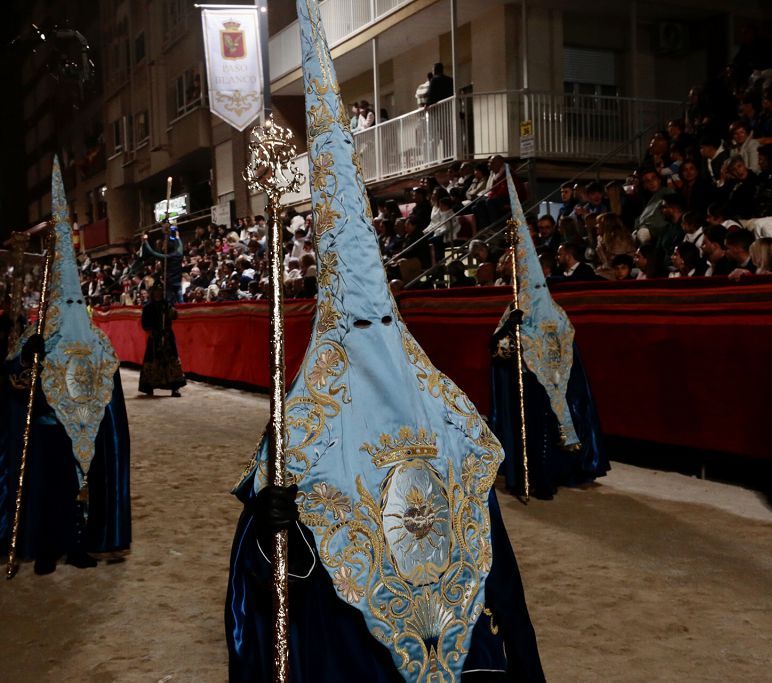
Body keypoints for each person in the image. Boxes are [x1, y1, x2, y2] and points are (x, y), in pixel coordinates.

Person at [227, 3, 544, 679]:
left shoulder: (448, 411)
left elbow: (494, 558)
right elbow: (260, 581)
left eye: (381, 323)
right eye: (357, 327)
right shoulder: (301, 426)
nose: (373, 343)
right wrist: (270, 528)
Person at [0, 159, 131, 575]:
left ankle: (77, 546)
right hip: (44, 428)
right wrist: (28, 358)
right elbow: (13, 380)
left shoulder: (96, 341)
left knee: (79, 490)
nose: (73, 309)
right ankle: (44, 548)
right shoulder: (36, 335)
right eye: (67, 304)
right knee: (43, 491)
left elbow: (110, 391)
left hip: (85, 429)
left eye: (79, 303)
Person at [491, 166, 608, 500]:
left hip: (549, 382)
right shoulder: (513, 307)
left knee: (548, 428)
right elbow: (498, 346)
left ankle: (548, 475)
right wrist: (508, 342)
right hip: (526, 381)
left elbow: (561, 342)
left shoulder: (551, 308)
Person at [138, 283, 186, 397]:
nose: (158, 292)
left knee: (171, 360)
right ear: (153, 292)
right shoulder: (148, 307)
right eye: (156, 290)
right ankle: (149, 386)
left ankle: (175, 388)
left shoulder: (167, 304)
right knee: (152, 360)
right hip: (155, 337)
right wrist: (151, 332)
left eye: (160, 290)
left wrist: (171, 310)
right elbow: (145, 323)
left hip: (167, 335)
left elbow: (174, 316)